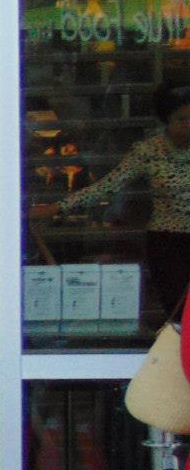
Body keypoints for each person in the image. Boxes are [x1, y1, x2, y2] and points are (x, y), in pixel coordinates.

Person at [55, 82, 190, 321]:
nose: (188, 126)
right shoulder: (149, 151)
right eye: (181, 119)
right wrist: (60, 207)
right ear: (166, 120)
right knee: (177, 309)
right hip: (168, 242)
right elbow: (109, 184)